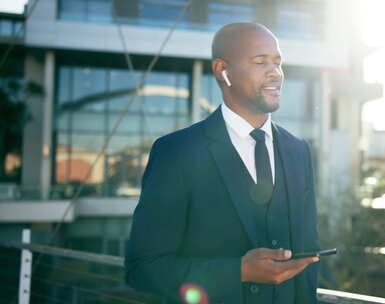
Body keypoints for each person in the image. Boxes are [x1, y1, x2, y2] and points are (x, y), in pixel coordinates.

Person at [125, 22, 320, 304]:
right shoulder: (176, 152)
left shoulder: (298, 150)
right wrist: (237, 271)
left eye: (278, 62)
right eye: (260, 61)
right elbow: (142, 269)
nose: (275, 73)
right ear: (222, 71)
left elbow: (308, 259)